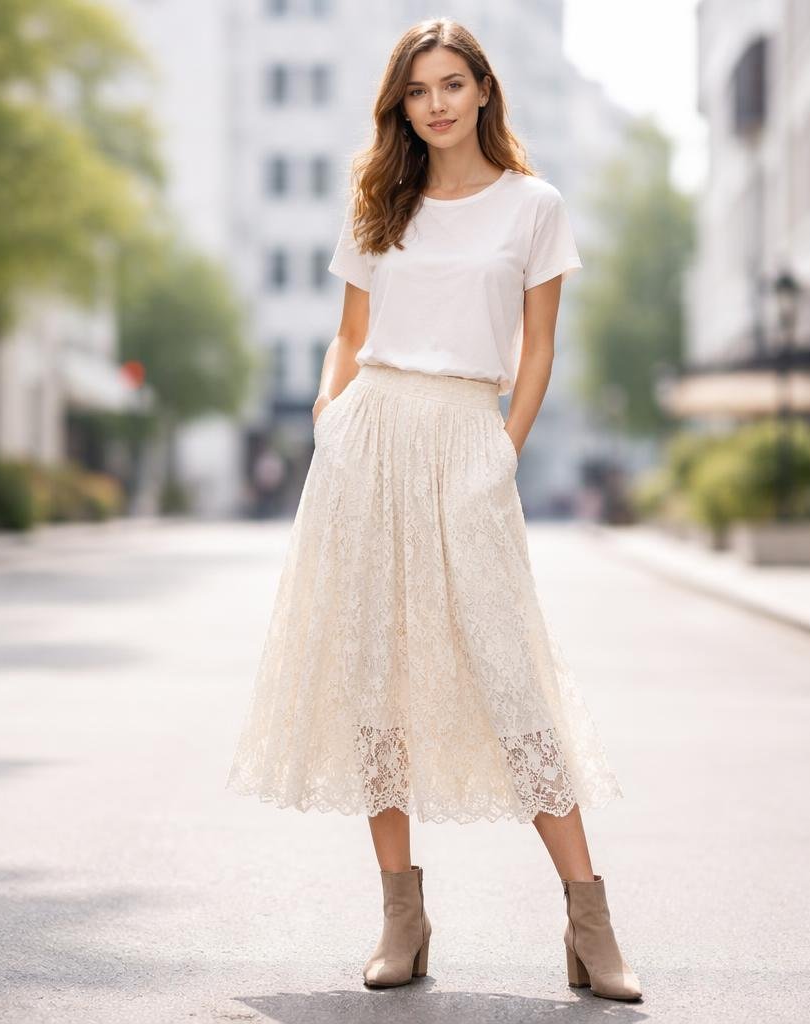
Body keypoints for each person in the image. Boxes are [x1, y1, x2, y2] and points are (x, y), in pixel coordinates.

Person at [225, 17, 641, 1003]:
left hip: (466, 438)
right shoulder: (380, 198)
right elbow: (347, 331)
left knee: (511, 677)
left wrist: (503, 452)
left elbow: (537, 348)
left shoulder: (534, 206)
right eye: (420, 90)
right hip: (368, 438)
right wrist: (331, 417)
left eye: (454, 83)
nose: (438, 103)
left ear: (485, 90)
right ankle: (400, 913)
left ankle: (591, 920)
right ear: (402, 104)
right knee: (375, 676)